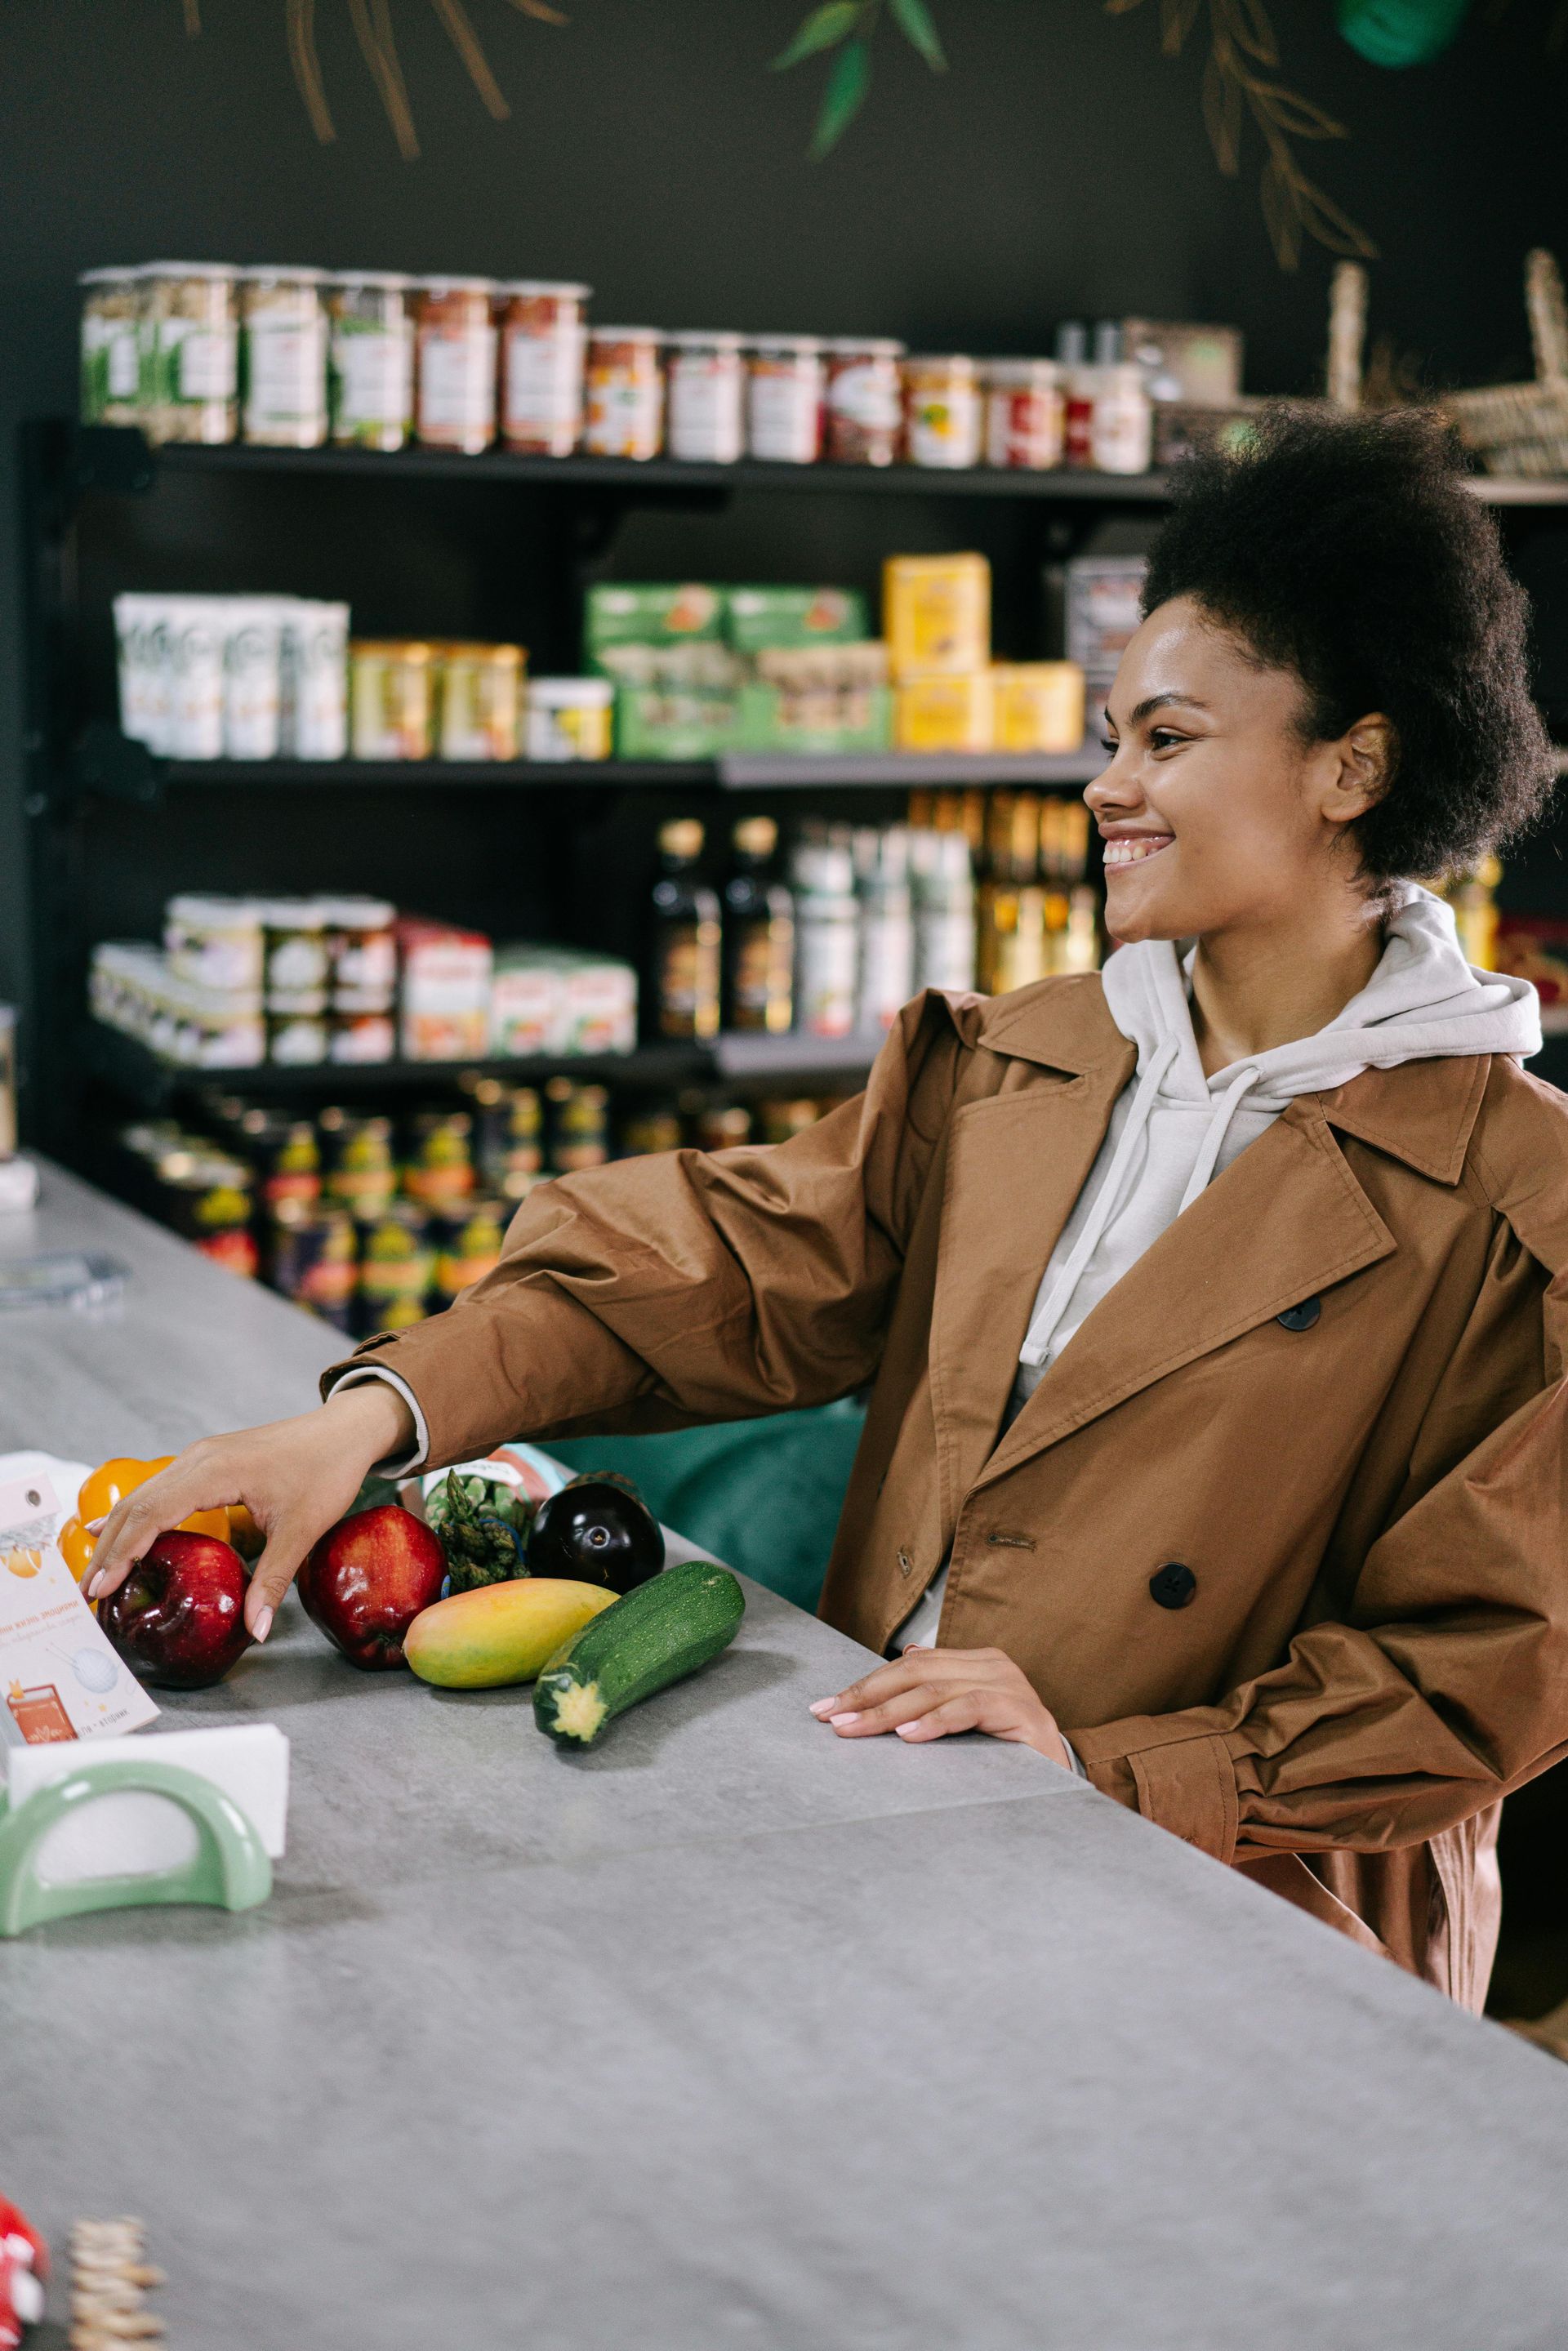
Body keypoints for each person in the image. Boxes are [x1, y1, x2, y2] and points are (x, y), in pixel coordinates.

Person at [90, 406, 1568, 2007]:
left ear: (1354, 763)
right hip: (888, 1827)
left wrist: (1115, 1760)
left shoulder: (1513, 1195)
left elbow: (1487, 1661)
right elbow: (720, 1260)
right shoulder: (1022, 1060)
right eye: (1105, 736)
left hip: (1241, 1924)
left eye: (1167, 739)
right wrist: (377, 1413)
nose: (1104, 788)